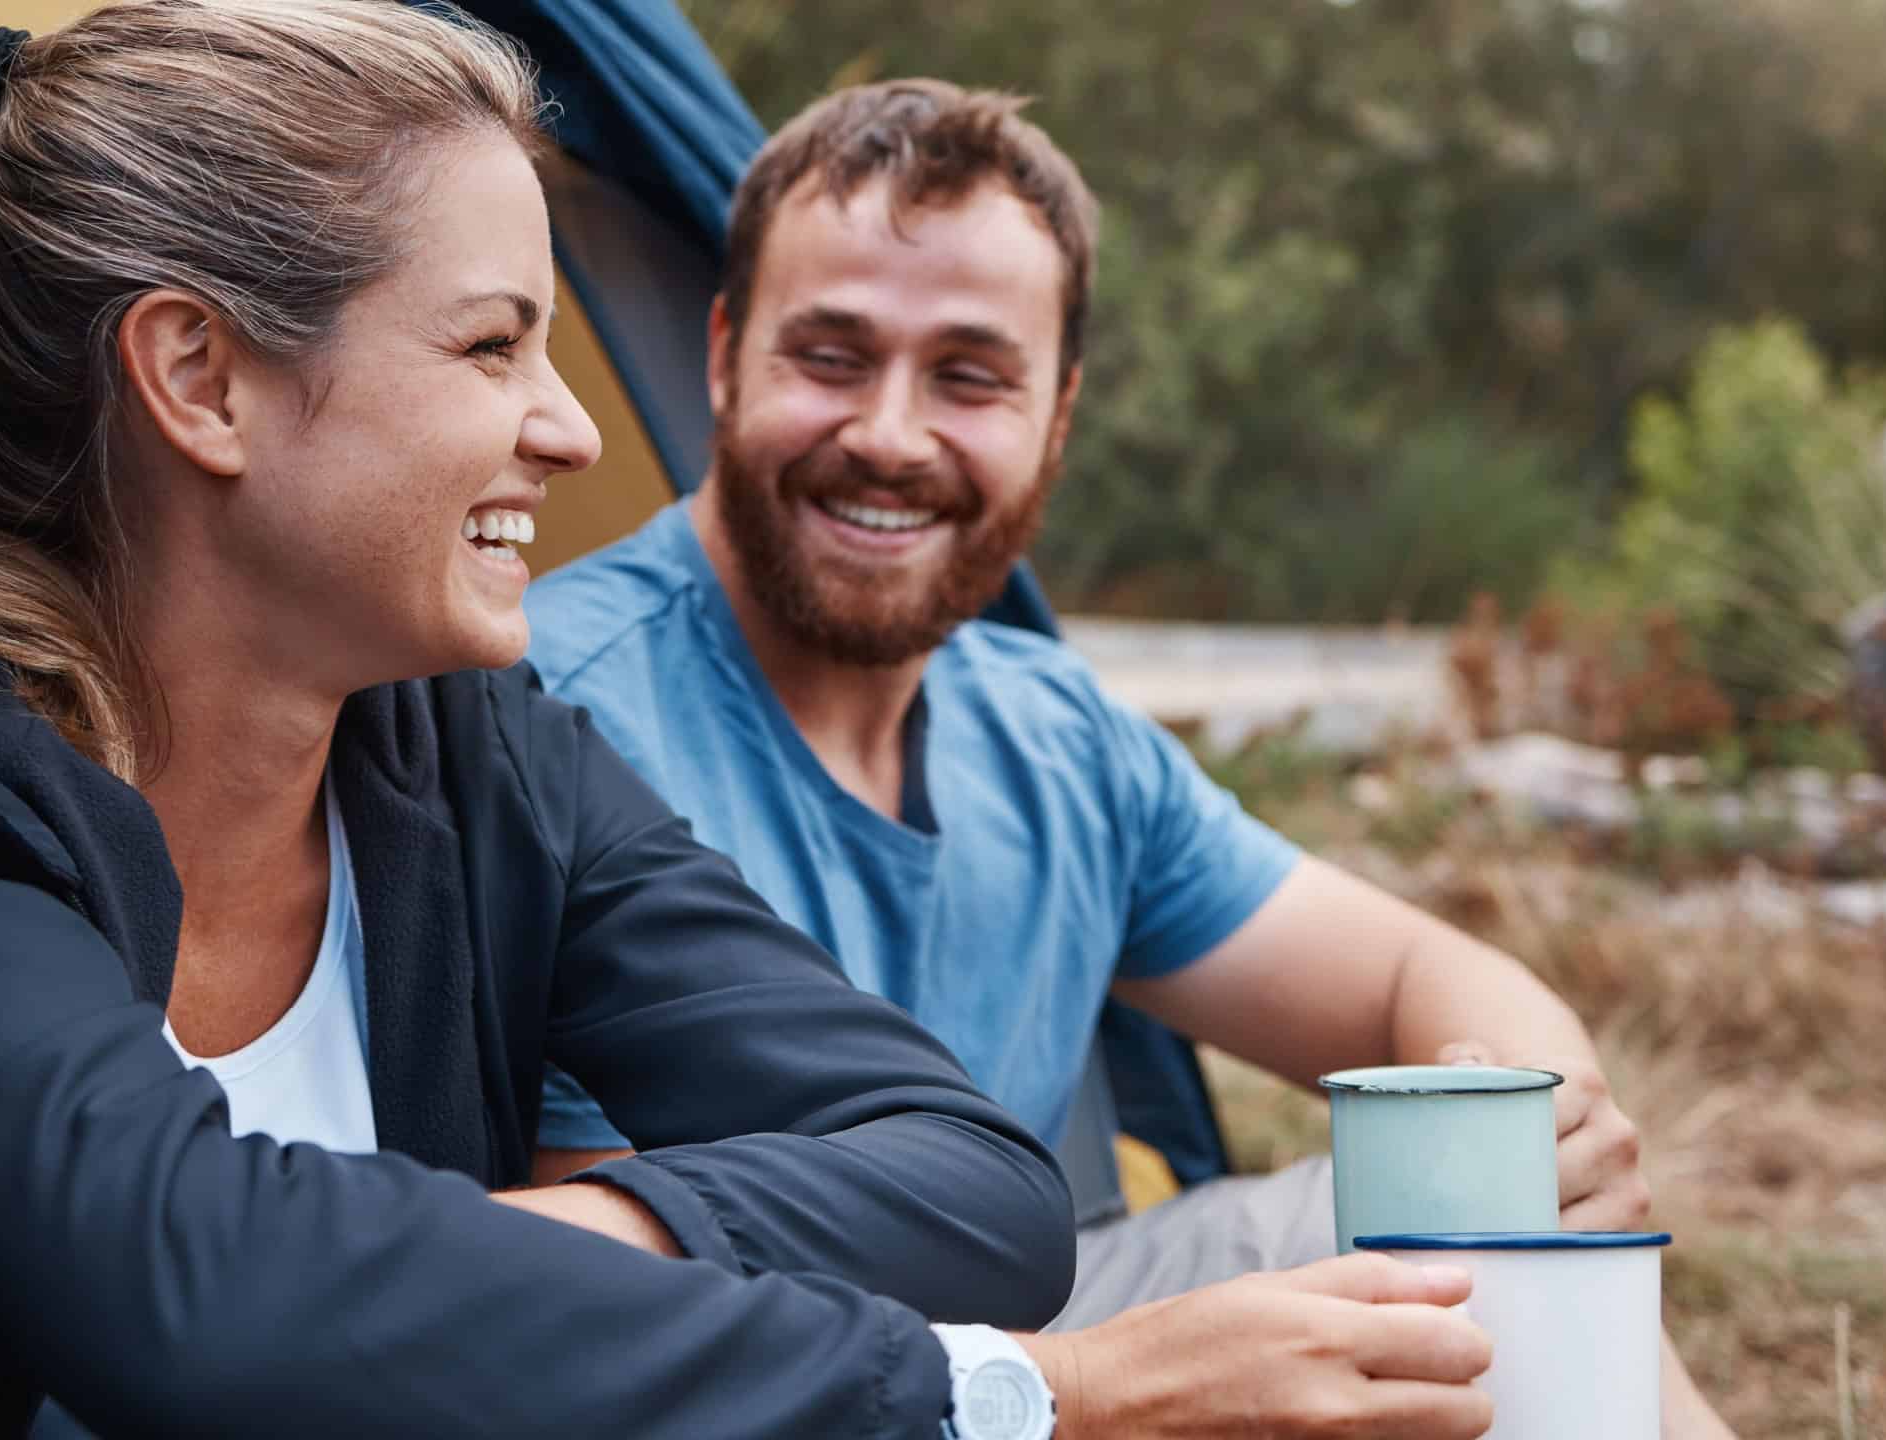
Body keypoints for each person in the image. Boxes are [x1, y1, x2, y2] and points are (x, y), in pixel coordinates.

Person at [0, 9, 1135, 1435]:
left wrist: (489, 1268)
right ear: (201, 378)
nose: (572, 430)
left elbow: (981, 1187)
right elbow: (197, 1296)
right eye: (490, 347)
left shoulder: (475, 753)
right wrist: (1015, 1389)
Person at [525, 79, 1738, 1439]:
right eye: (832, 356)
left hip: (1058, 1319)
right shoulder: (553, 715)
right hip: (772, 1383)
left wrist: (1540, 1135)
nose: (890, 434)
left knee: (1481, 1270)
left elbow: (1411, 973)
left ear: (1057, 417)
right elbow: (632, 1322)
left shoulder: (1056, 736)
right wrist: (1099, 1394)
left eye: (971, 375)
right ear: (723, 354)